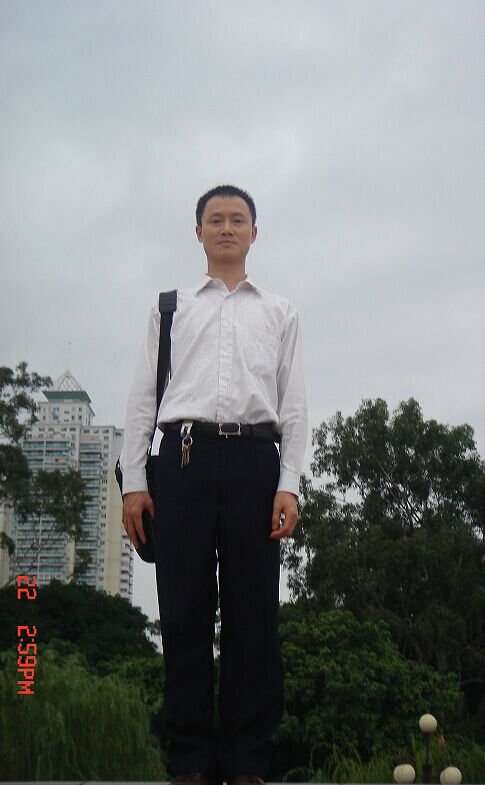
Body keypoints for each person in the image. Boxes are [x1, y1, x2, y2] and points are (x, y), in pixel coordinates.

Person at [120, 184, 308, 785]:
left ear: (255, 233)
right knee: (183, 614)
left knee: (253, 616)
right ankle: (191, 760)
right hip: (182, 460)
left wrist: (289, 484)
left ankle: (248, 760)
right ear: (198, 232)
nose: (227, 227)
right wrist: (133, 482)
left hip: (255, 461)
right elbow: (142, 399)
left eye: (238, 219)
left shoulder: (279, 311)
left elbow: (294, 405)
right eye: (216, 219)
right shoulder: (170, 308)